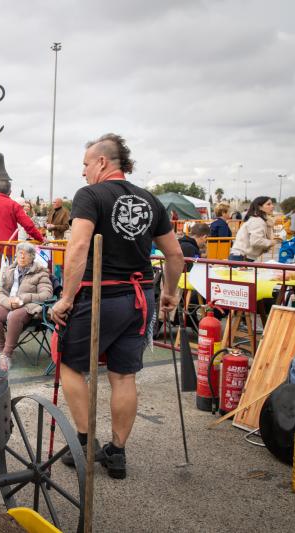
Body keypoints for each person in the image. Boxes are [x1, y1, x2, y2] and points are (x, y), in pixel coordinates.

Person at [49, 133, 182, 480]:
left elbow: (77, 249)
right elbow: (175, 255)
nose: (83, 172)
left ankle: (85, 443)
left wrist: (65, 299)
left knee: (70, 366)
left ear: (102, 163)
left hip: (100, 297)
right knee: (124, 376)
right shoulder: (151, 200)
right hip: (140, 299)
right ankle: (117, 453)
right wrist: (170, 292)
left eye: (85, 164)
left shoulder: (90, 195)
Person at [0, 242, 53, 371]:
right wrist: (9, 302)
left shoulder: (40, 273)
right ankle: (1, 352)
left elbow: (47, 294)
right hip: (10, 305)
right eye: (19, 253)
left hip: (29, 308)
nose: (22, 257)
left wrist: (24, 298)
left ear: (32, 257)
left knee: (13, 316)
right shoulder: (10, 270)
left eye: (26, 254)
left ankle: (7, 355)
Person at [0, 179, 44, 251]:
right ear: (10, 192)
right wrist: (41, 238)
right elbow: (28, 225)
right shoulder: (14, 205)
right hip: (7, 249)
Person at [228, 196, 280, 262]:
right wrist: (273, 242)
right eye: (268, 204)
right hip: (242, 257)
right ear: (260, 207)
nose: (272, 206)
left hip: (243, 256)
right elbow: (256, 241)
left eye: (272, 204)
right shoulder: (257, 220)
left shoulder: (260, 220)